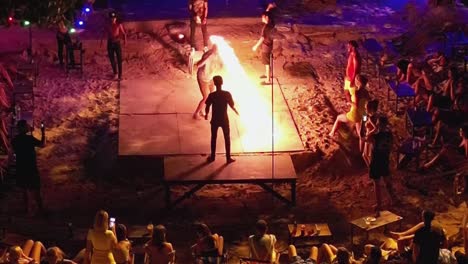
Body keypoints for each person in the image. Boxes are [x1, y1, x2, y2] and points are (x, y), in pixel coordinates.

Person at [12, 120, 45, 216]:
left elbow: (14, 152)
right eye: (26, 125)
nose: (28, 126)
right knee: (36, 189)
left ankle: (27, 209)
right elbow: (42, 144)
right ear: (22, 128)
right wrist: (43, 132)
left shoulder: (14, 140)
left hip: (20, 167)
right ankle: (40, 209)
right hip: (30, 166)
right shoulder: (29, 139)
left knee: (24, 189)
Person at [205, 75, 239, 163]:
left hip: (215, 120)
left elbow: (207, 106)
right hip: (224, 119)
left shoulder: (212, 95)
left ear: (214, 83)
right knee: (227, 138)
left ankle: (212, 157)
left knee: (213, 138)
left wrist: (206, 114)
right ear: (222, 83)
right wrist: (235, 110)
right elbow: (231, 104)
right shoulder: (227, 94)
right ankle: (228, 158)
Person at [367, 116, 397, 212]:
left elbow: (366, 137)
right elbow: (392, 146)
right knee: (387, 180)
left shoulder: (375, 136)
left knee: (377, 183)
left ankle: (379, 204)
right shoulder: (389, 135)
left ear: (378, 124)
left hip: (376, 161)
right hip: (385, 160)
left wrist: (373, 129)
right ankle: (393, 199)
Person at [193, 45, 222, 119]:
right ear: (214, 50)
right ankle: (196, 114)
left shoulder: (217, 55)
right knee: (206, 97)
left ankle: (202, 110)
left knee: (212, 95)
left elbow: (219, 64)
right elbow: (198, 65)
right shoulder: (208, 56)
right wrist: (206, 59)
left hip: (210, 77)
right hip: (203, 78)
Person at [252, 11, 275, 85]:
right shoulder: (271, 24)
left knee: (267, 63)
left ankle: (268, 80)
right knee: (267, 61)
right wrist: (268, 8)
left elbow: (262, 38)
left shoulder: (266, 27)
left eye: (263, 17)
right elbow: (268, 14)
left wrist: (256, 46)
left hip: (266, 46)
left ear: (267, 18)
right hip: (270, 45)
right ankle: (267, 74)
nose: (262, 18)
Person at [103, 11, 126, 80]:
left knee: (119, 59)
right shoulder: (108, 25)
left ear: (116, 18)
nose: (113, 19)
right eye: (112, 18)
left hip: (117, 43)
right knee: (112, 59)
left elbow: (124, 33)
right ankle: (115, 73)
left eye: (114, 18)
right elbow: (105, 33)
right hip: (110, 43)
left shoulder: (119, 24)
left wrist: (125, 41)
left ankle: (120, 75)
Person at [361, 99, 379, 166]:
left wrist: (369, 133)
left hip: (371, 137)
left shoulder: (373, 117)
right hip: (368, 136)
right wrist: (362, 133)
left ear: (370, 108)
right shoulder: (366, 115)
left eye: (366, 108)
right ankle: (371, 170)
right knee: (364, 155)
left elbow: (376, 128)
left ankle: (373, 170)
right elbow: (363, 123)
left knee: (368, 155)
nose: (365, 110)